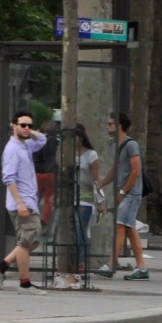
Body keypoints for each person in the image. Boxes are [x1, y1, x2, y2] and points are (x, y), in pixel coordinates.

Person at [0, 111, 49, 294]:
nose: (27, 129)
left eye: (30, 126)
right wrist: (20, 203)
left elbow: (43, 141)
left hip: (29, 201)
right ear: (13, 126)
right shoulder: (13, 149)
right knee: (25, 243)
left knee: (32, 240)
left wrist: (33, 133)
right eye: (23, 125)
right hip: (22, 204)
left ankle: (1, 266)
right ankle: (24, 284)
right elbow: (8, 178)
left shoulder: (25, 145)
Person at [96, 113, 150, 280]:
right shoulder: (115, 145)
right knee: (129, 229)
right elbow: (116, 169)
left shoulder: (131, 145)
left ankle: (112, 263)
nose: (107, 127)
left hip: (132, 193)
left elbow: (136, 171)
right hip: (126, 192)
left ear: (119, 126)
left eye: (110, 124)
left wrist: (122, 191)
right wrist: (102, 182)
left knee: (120, 226)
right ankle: (141, 268)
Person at [55, 123, 103, 289]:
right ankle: (70, 264)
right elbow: (57, 164)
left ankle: (80, 264)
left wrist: (100, 200)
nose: (73, 140)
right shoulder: (65, 154)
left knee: (79, 231)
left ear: (82, 137)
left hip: (85, 196)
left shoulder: (91, 155)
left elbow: (96, 179)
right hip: (69, 197)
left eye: (75, 137)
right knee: (69, 233)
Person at [33, 119, 59, 224]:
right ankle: (45, 220)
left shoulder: (39, 141)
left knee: (35, 197)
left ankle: (31, 218)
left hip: (37, 172)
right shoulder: (57, 143)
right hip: (51, 172)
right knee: (49, 199)